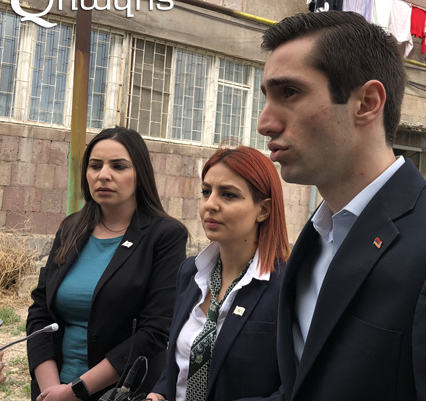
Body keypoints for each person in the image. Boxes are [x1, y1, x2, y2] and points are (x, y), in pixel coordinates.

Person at [257, 11, 426, 401]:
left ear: (366, 103)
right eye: (266, 97)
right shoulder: (317, 238)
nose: (265, 123)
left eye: (289, 93)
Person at [26, 126, 188, 401]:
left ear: (140, 174)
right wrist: (50, 389)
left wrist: (74, 391)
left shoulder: (165, 236)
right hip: (52, 390)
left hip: (121, 392)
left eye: (118, 166)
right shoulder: (71, 228)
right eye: (95, 165)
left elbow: (155, 331)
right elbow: (41, 311)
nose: (103, 175)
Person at [146, 145, 290, 401]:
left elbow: (294, 387)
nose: (210, 204)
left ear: (263, 210)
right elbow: (182, 360)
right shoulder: (191, 272)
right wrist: (159, 393)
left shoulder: (286, 285)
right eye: (206, 192)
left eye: (228, 195)